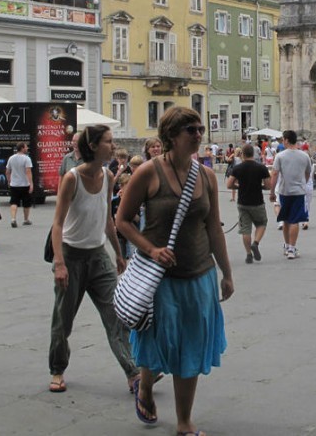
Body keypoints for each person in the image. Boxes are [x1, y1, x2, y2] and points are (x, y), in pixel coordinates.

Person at [116, 107, 233, 435]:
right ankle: (146, 387)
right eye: (190, 130)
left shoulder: (207, 175)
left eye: (199, 129)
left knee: (190, 349)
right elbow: (121, 221)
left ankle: (184, 422)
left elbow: (214, 228)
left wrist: (226, 272)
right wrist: (151, 249)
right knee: (157, 343)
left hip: (199, 275)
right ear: (171, 136)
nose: (198, 135)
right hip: (160, 279)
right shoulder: (148, 173)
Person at [48, 125, 138, 395]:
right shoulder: (72, 179)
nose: (113, 146)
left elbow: (107, 219)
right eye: (108, 142)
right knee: (63, 320)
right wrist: (60, 263)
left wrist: (118, 253)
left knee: (118, 314)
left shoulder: (109, 175)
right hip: (71, 254)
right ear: (93, 146)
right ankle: (57, 369)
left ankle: (133, 372)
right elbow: (57, 224)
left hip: (98, 256)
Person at [268, 130, 311, 260]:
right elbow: (308, 173)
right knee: (295, 220)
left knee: (286, 219)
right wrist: (302, 182)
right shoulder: (304, 156)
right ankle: (292, 248)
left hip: (284, 191)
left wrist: (271, 191)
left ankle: (287, 246)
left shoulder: (280, 156)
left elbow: (274, 174)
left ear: (286, 140)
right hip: (299, 191)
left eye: (283, 139)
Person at [226, 143, 270, 263]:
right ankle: (255, 243)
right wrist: (260, 186)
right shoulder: (261, 168)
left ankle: (248, 254)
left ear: (242, 154)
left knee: (245, 230)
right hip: (257, 202)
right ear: (253, 153)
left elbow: (229, 185)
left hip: (243, 203)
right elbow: (268, 185)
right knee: (262, 223)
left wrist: (239, 186)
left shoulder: (237, 168)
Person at [5, 141, 33, 227]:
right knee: (26, 203)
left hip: (14, 184)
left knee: (14, 202)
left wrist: (9, 181)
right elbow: (28, 171)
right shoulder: (27, 158)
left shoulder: (11, 158)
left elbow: (7, 171)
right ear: (22, 148)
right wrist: (31, 183)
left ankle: (13, 219)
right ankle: (26, 219)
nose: (27, 148)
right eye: (26, 147)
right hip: (24, 184)